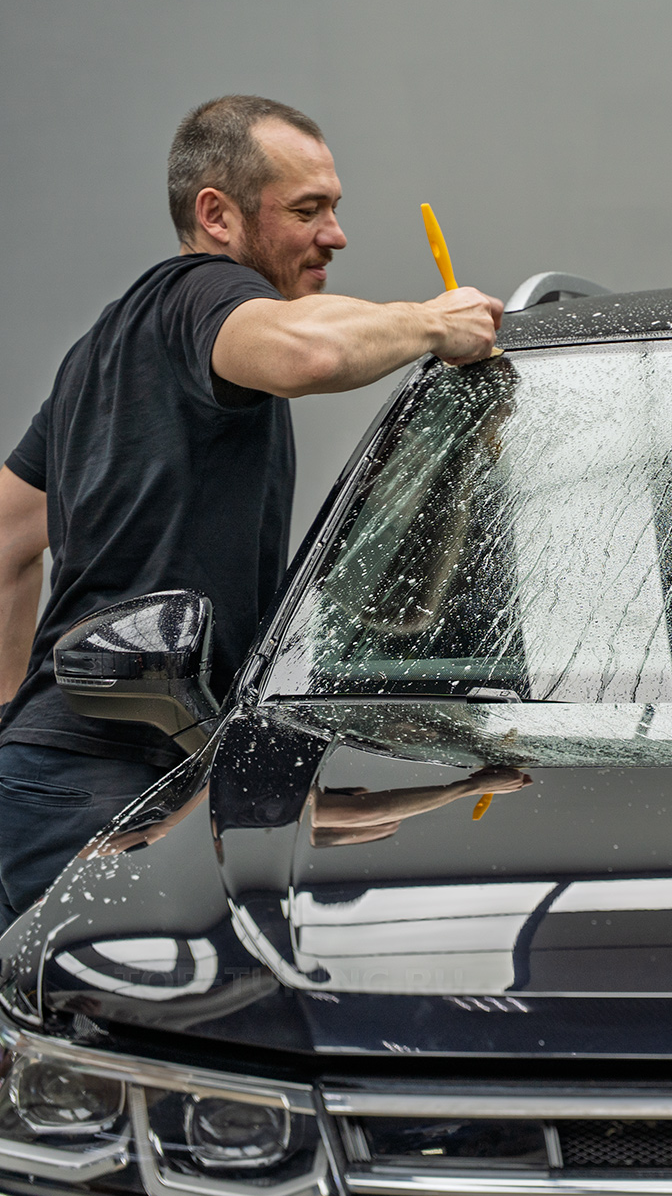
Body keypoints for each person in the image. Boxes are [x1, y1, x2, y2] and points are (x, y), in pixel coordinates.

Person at [0, 95, 502, 931]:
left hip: (64, 779)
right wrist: (431, 324)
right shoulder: (206, 291)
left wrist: (13, 720)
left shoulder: (105, 349)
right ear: (217, 216)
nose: (336, 235)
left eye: (334, 208)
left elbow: (7, 538)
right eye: (307, 211)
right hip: (107, 784)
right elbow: (310, 348)